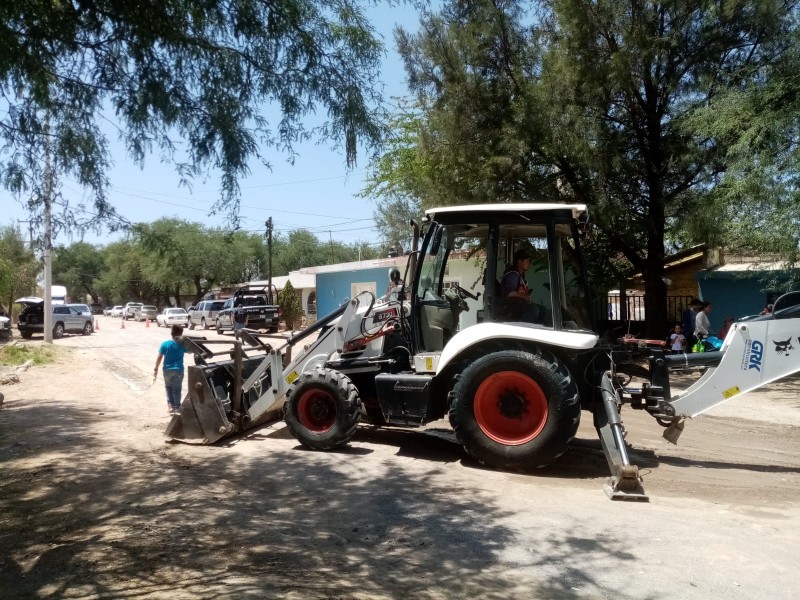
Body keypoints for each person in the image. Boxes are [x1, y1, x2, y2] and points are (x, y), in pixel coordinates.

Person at [500, 248, 550, 324]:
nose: (529, 263)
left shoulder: (521, 275)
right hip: (509, 307)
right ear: (519, 261)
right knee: (533, 310)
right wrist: (524, 297)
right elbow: (509, 293)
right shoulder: (513, 275)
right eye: (527, 261)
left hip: (518, 305)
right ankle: (520, 331)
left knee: (543, 310)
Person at [154, 324, 190, 415]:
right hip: (178, 370)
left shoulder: (165, 344)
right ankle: (177, 408)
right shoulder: (182, 345)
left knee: (168, 388)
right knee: (177, 389)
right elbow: (190, 351)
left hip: (167, 370)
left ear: (171, 333)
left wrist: (156, 368)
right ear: (180, 334)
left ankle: (170, 406)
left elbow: (159, 357)